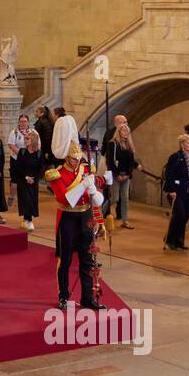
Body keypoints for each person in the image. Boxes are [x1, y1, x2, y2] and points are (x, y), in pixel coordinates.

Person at [44, 115, 108, 311]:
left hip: (85, 217)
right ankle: (63, 295)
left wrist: (95, 191)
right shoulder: (56, 174)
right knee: (66, 260)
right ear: (66, 157)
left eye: (78, 156)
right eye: (73, 157)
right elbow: (65, 199)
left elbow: (95, 196)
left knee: (87, 260)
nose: (77, 160)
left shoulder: (86, 169)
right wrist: (83, 186)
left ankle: (88, 297)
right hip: (68, 219)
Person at [163, 133, 189, 251]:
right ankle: (170, 239)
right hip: (176, 191)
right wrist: (171, 189)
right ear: (182, 144)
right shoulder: (175, 157)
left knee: (185, 216)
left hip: (187, 191)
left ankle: (179, 240)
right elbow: (169, 174)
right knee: (179, 214)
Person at [103, 120, 137, 229]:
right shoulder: (112, 144)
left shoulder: (129, 145)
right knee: (115, 198)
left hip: (125, 175)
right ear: (119, 131)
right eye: (123, 130)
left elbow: (131, 162)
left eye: (127, 131)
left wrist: (128, 174)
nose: (125, 132)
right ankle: (100, 213)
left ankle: (125, 220)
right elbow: (110, 161)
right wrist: (116, 174)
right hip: (115, 175)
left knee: (125, 198)